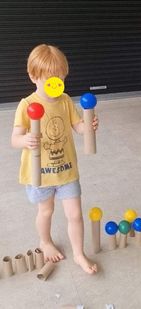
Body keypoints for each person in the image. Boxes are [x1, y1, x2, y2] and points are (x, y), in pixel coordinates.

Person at [11, 44, 98, 274]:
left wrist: (87, 126)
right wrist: (26, 140)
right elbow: (14, 138)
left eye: (59, 78)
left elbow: (78, 127)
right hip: (40, 173)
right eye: (49, 79)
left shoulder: (65, 101)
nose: (55, 85)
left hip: (67, 171)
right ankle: (45, 241)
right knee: (46, 212)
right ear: (33, 76)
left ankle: (79, 253)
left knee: (75, 214)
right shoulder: (27, 105)